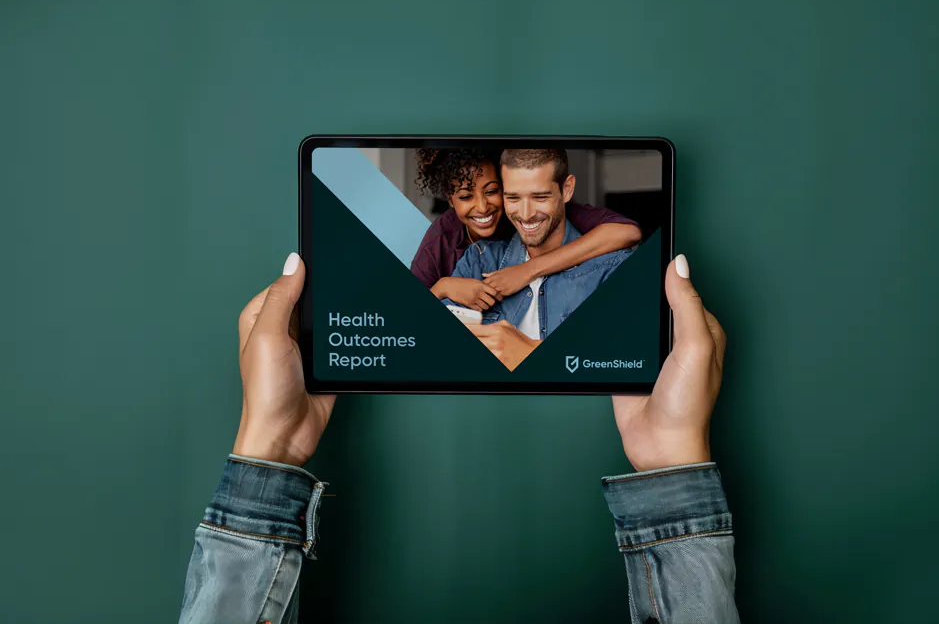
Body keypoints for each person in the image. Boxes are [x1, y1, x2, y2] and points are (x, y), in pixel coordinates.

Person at [179, 252, 738, 624]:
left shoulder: (597, 258)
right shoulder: (476, 259)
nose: (512, 211)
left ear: (567, 191)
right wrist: (674, 459)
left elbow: (622, 236)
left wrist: (269, 443)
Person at [445, 149, 634, 370]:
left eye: (540, 197)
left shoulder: (611, 269)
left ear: (567, 189)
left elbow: (626, 363)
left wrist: (530, 351)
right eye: (513, 197)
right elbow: (433, 349)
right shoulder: (478, 260)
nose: (525, 214)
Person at [410, 148, 642, 312]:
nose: (481, 207)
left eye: (492, 191)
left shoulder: (553, 211)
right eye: (465, 197)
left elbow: (628, 232)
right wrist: (443, 287)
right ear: (451, 201)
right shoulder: (446, 237)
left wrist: (527, 270)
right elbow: (406, 319)